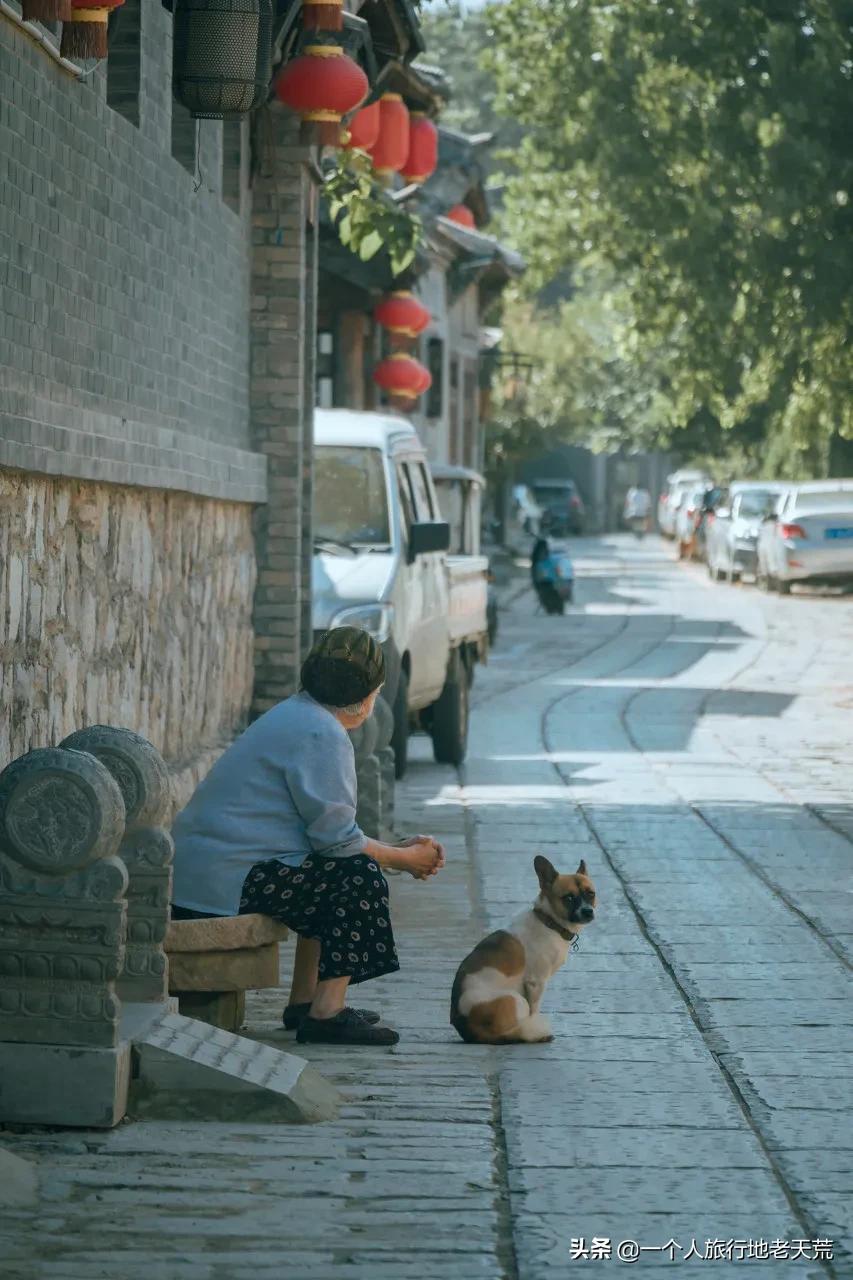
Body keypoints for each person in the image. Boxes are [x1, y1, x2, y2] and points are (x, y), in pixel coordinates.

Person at [171, 626, 444, 1046]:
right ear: (369, 697)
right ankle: (326, 1011)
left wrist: (395, 850)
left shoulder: (298, 712)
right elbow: (339, 844)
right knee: (356, 877)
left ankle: (304, 1003)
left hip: (210, 874)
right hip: (223, 881)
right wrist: (405, 859)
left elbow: (329, 834)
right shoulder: (323, 733)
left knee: (332, 870)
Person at [530, 536, 565, 615]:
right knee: (547, 594)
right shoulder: (537, 562)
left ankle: (555, 608)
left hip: (550, 581)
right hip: (543, 582)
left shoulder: (549, 560)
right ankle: (552, 608)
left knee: (553, 594)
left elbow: (557, 571)